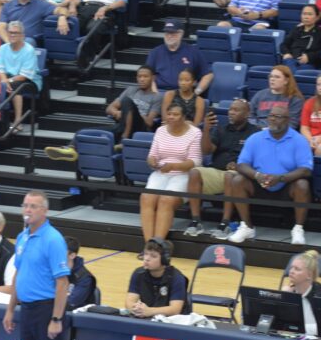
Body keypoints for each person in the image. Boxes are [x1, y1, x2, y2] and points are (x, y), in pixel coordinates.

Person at [2, 190, 70, 340]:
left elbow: (62, 282)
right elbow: (18, 275)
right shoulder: (22, 237)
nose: (28, 210)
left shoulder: (53, 239)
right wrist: (11, 309)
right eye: (25, 205)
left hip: (47, 309)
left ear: (44, 210)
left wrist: (56, 319)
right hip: (27, 310)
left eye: (33, 206)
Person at [228, 104, 313, 245]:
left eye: (278, 117)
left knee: (302, 185)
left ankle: (298, 229)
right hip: (259, 183)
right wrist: (257, 175)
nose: (273, 119)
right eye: (271, 116)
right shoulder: (255, 138)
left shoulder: (299, 140)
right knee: (238, 180)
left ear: (287, 120)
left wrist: (280, 178)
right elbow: (241, 165)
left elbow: (306, 170)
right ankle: (247, 227)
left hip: (287, 185)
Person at [183, 99, 259, 240]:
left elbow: (258, 159)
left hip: (240, 175)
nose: (231, 112)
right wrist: (206, 129)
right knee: (195, 172)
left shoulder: (255, 133)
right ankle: (195, 221)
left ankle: (225, 223)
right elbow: (206, 151)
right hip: (217, 171)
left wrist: (239, 166)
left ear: (247, 113)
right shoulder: (221, 129)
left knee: (230, 176)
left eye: (236, 110)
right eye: (230, 109)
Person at [140, 103, 202, 241]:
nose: (171, 117)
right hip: (161, 173)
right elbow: (152, 155)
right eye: (169, 114)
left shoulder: (195, 133)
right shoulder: (160, 130)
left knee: (166, 200)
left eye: (175, 114)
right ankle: (148, 244)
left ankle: (158, 244)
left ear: (184, 117)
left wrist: (173, 166)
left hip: (183, 175)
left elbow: (195, 162)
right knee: (146, 198)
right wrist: (152, 161)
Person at [126, 238, 188, 318]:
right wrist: (136, 309)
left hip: (172, 321)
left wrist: (150, 311)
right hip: (148, 318)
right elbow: (129, 302)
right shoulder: (138, 274)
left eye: (153, 256)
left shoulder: (177, 278)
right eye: (146, 254)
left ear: (164, 260)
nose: (147, 259)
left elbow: (175, 309)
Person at [146, 19, 213, 92]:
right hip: (160, 92)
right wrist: (155, 94)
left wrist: (196, 92)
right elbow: (148, 75)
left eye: (173, 33)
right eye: (167, 33)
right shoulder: (155, 52)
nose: (169, 36)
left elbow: (208, 75)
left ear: (181, 33)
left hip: (183, 94)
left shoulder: (193, 51)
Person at [0, 21, 41, 129]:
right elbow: (0, 69)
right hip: (8, 78)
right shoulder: (3, 48)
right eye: (10, 32)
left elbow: (23, 76)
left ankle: (18, 121)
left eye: (16, 33)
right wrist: (3, 81)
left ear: (22, 35)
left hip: (30, 81)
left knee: (16, 86)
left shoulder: (29, 50)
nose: (12, 35)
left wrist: (8, 81)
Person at [103, 65, 161, 142]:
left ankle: (124, 139)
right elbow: (109, 108)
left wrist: (131, 114)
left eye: (145, 76)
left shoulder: (157, 97)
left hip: (140, 127)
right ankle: (123, 137)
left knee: (127, 101)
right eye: (139, 77)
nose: (142, 79)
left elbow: (149, 123)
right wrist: (117, 113)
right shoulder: (131, 90)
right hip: (122, 125)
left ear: (153, 78)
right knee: (86, 132)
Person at [249, 64, 304, 128]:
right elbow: (250, 116)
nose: (272, 79)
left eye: (277, 77)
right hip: (258, 131)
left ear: (286, 81)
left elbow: (292, 123)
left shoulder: (295, 99)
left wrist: (273, 130)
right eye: (271, 76)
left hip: (281, 133)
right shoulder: (260, 94)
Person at [281, 250, 321, 336]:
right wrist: (284, 297)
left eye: (297, 269)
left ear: (309, 275)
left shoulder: (318, 296)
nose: (291, 271)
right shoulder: (288, 292)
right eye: (291, 267)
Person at [280, 4, 321, 72]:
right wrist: (286, 53)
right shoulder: (296, 30)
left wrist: (309, 57)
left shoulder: (319, 32)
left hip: (309, 64)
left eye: (310, 14)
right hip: (291, 61)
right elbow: (284, 45)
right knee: (288, 64)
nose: (306, 17)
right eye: (304, 14)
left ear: (317, 17)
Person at [63, 236, 97, 310]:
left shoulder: (84, 278)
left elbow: (71, 303)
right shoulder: (50, 270)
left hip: (76, 317)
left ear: (72, 255)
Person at [301, 75, 321, 156]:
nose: (320, 87)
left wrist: (319, 139)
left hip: (319, 140)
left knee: (319, 150)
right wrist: (310, 140)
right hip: (311, 139)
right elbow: (304, 128)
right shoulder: (309, 103)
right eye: (318, 84)